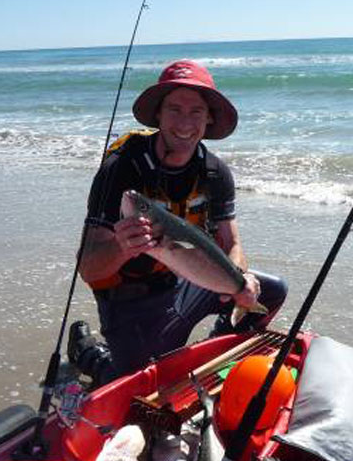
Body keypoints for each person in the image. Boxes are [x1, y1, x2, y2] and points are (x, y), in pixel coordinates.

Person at [68, 60, 287, 385]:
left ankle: (213, 351)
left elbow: (232, 244)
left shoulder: (214, 172)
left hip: (188, 282)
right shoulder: (121, 168)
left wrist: (239, 282)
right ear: (158, 114)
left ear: (209, 118)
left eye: (196, 111)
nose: (185, 122)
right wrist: (121, 247)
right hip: (131, 300)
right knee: (141, 386)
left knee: (270, 291)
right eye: (174, 109)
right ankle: (90, 354)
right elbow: (89, 269)